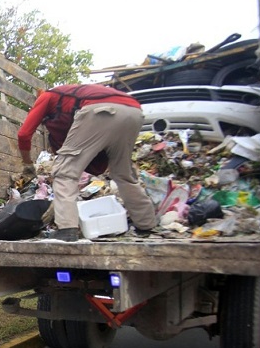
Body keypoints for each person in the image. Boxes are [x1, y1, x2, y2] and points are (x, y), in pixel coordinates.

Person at [17, 84, 157, 241]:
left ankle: (67, 229)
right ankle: (146, 224)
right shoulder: (71, 98)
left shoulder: (46, 96)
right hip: (134, 111)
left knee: (64, 173)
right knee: (122, 174)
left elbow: (23, 134)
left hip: (101, 110)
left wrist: (28, 164)